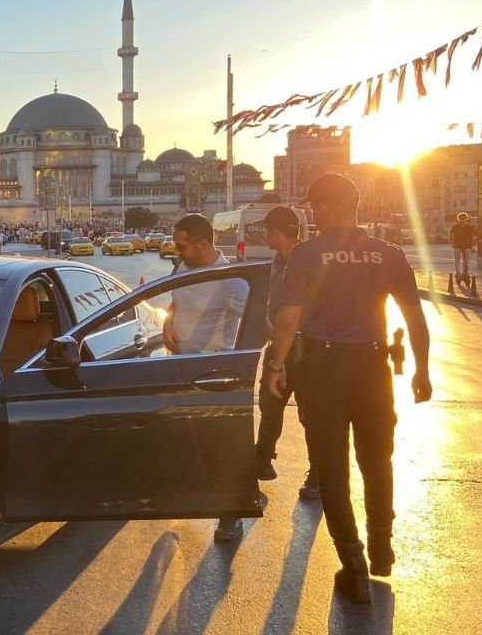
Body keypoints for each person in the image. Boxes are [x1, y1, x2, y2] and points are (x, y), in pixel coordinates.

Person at [266, 173, 432, 602]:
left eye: (313, 207)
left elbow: (288, 320)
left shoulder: (306, 254)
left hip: (323, 368)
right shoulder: (388, 254)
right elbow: (415, 319)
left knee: (332, 466)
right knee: (377, 460)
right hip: (372, 368)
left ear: (326, 208)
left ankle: (353, 564)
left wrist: (276, 365)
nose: (311, 215)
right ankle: (381, 547)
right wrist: (422, 371)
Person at [161, 214, 251, 542]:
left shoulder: (232, 282)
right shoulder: (183, 268)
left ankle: (231, 517)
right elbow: (175, 300)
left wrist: (244, 364)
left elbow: (259, 325)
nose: (177, 251)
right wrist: (167, 322)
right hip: (178, 371)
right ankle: (187, 500)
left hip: (212, 378)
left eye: (183, 246)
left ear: (203, 244)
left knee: (221, 450)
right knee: (185, 443)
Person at [253, 207, 319, 498]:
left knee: (310, 413)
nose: (265, 235)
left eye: (267, 230)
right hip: (278, 345)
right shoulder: (274, 265)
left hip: (306, 350)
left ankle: (316, 474)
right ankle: (262, 462)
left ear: (275, 232)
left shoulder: (309, 261)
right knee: (270, 406)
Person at [449, 212, 475, 283]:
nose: (462, 220)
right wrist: (453, 243)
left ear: (466, 219)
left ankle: (465, 272)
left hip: (467, 246)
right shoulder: (455, 227)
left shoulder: (468, 227)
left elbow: (472, 236)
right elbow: (451, 236)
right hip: (457, 246)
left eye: (464, 218)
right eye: (461, 218)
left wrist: (472, 242)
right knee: (457, 259)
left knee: (466, 260)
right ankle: (458, 272)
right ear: (459, 219)